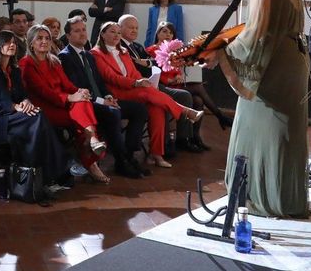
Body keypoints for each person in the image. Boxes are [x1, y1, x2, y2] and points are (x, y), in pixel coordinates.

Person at [204, 0, 310, 218]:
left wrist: (222, 53)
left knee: (254, 128)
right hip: (293, 60)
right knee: (283, 132)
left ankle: (260, 199)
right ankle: (287, 199)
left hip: (273, 65)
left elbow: (257, 31)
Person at [92, 21, 201, 169]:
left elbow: (135, 73)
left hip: (134, 90)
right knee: (149, 92)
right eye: (112, 32)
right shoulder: (96, 53)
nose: (117, 35)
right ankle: (184, 111)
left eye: (118, 32)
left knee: (157, 108)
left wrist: (142, 80)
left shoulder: (123, 51)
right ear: (103, 34)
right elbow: (111, 78)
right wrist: (137, 83)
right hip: (118, 93)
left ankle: (155, 154)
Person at [0, 30, 70, 194]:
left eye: (13, 42)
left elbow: (22, 95)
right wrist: (14, 107)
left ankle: (39, 175)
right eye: (7, 42)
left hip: (15, 116)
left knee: (38, 117)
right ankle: (51, 173)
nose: (12, 45)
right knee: (37, 120)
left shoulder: (15, 70)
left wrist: (25, 102)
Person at [58, 16, 149, 179]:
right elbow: (77, 86)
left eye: (84, 30)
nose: (82, 34)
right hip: (85, 103)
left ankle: (129, 155)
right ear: (68, 35)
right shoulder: (65, 56)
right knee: (112, 113)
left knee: (139, 109)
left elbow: (99, 82)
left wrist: (108, 95)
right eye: (76, 31)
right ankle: (121, 162)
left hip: (101, 99)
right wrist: (102, 101)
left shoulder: (87, 55)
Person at [20, 25, 111, 183]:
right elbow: (43, 91)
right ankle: (92, 154)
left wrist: (79, 91)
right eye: (39, 38)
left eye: (47, 38)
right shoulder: (26, 63)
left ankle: (91, 143)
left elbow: (67, 84)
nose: (44, 41)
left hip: (64, 101)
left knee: (83, 101)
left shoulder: (54, 61)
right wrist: (70, 97)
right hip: (44, 106)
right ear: (31, 43)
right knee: (81, 118)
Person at [120, 14, 197, 153]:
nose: (134, 30)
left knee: (187, 95)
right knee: (164, 104)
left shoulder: (136, 46)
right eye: (130, 27)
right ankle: (165, 145)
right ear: (120, 28)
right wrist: (150, 67)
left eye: (136, 28)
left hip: (153, 83)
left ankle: (183, 139)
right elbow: (140, 68)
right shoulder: (120, 47)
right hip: (140, 86)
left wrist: (150, 65)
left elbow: (154, 64)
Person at [150, 22, 233, 135]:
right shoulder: (151, 50)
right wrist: (170, 80)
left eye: (171, 32)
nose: (168, 34)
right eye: (164, 31)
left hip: (177, 85)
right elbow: (153, 73)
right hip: (165, 87)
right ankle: (220, 116)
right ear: (157, 33)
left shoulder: (174, 52)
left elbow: (177, 71)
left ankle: (194, 138)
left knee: (198, 100)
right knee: (198, 87)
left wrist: (179, 76)